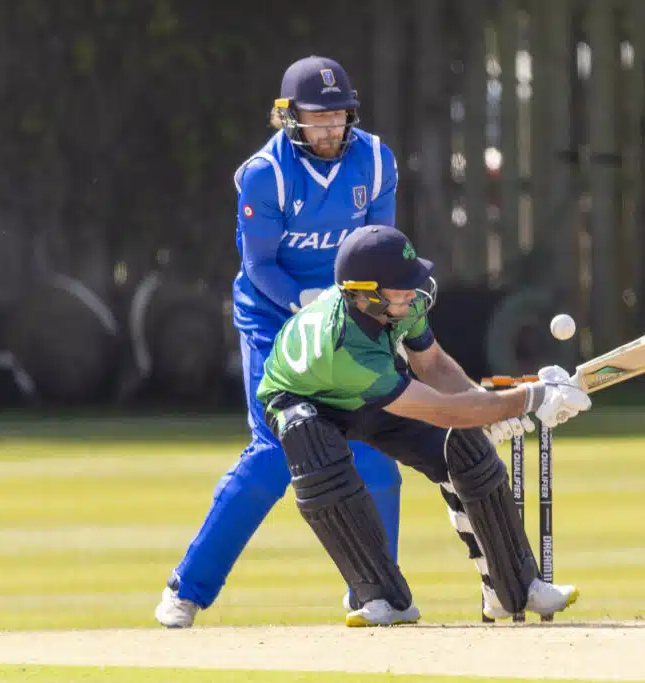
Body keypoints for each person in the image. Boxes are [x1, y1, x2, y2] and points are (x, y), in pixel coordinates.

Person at [155, 56, 406, 628]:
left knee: (373, 454)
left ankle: (378, 589)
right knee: (275, 450)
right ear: (288, 118)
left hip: (350, 320)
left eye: (337, 117)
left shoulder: (374, 158)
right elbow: (259, 265)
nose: (328, 131)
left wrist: (383, 305)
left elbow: (381, 245)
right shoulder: (264, 175)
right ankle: (187, 589)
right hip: (273, 318)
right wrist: (310, 304)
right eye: (316, 119)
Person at [255, 225, 590, 626]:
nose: (413, 292)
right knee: (316, 453)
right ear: (364, 294)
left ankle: (515, 588)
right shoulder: (345, 347)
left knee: (465, 446)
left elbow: (433, 366)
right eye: (401, 287)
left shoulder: (401, 306)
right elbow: (442, 410)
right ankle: (382, 598)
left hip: (368, 389)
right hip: (301, 398)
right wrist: (530, 399)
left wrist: (489, 409)